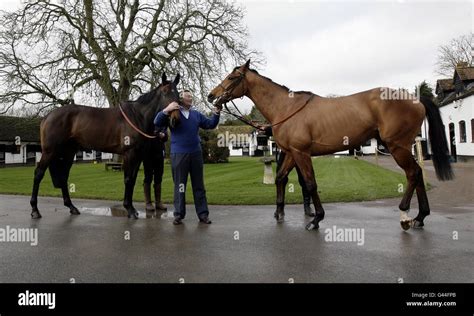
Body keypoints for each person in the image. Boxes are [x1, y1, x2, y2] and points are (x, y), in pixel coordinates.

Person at [154, 90, 220, 225]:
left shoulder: (196, 115)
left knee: (199, 186)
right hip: (179, 155)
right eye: (188, 96)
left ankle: (203, 215)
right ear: (181, 99)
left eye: (191, 96)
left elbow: (210, 124)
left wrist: (216, 113)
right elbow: (157, 121)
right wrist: (167, 109)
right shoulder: (173, 114)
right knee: (180, 185)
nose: (191, 98)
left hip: (196, 154)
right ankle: (178, 214)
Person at [260, 126, 315, 217]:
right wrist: (266, 129)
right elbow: (278, 129)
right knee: (280, 179)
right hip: (286, 152)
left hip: (299, 152)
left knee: (305, 179)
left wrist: (266, 129)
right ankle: (280, 208)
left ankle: (307, 207)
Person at [142, 127, 168, 213]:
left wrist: (163, 135)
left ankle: (158, 202)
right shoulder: (148, 121)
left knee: (158, 177)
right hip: (148, 152)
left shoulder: (161, 123)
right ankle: (148, 202)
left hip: (159, 152)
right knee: (148, 177)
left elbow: (166, 137)